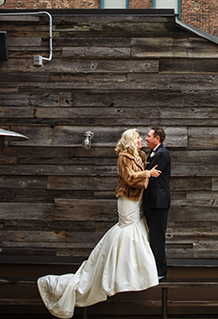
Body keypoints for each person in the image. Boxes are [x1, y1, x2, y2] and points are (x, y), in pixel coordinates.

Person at [37, 129, 162, 318]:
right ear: (130, 140)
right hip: (127, 199)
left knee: (136, 232)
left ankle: (132, 274)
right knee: (127, 231)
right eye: (137, 137)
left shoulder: (140, 155)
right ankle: (114, 274)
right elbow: (128, 178)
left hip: (137, 201)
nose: (140, 140)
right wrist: (148, 174)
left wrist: (147, 171)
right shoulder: (123, 157)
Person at [143, 127, 171, 280]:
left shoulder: (161, 154)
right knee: (152, 236)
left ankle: (160, 271)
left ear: (157, 139)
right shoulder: (154, 153)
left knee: (157, 237)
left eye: (148, 136)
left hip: (158, 202)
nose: (145, 138)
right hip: (152, 202)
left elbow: (151, 176)